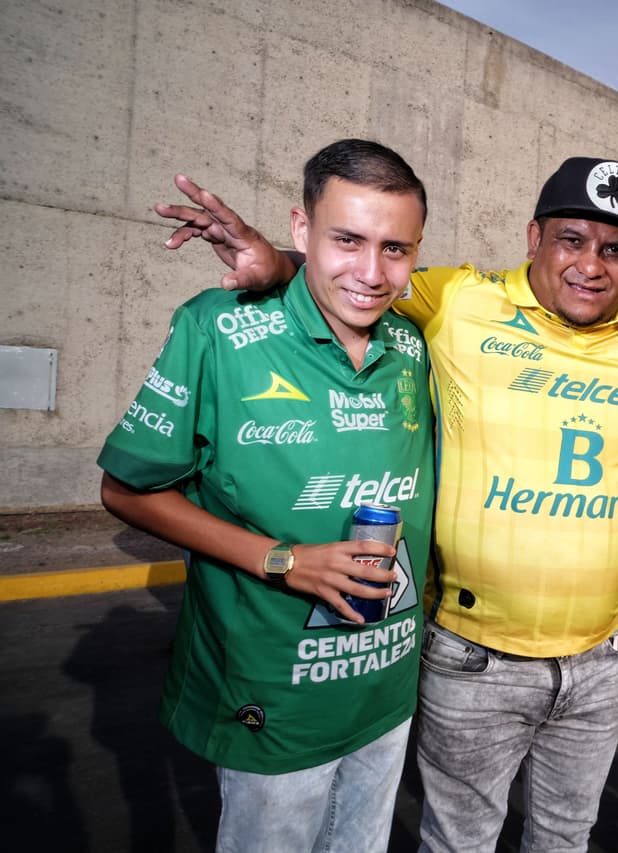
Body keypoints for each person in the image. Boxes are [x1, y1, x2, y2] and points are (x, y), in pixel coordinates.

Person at [153, 157, 618, 852]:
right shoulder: (460, 301)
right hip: (475, 661)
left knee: (564, 840)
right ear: (534, 236)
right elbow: (364, 277)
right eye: (572, 239)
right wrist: (280, 259)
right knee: (460, 843)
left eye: (615, 250)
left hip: (600, 659)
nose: (592, 264)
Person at [98, 139, 433, 850]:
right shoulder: (217, 328)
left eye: (396, 249)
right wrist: (283, 560)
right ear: (302, 229)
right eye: (347, 240)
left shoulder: (415, 345)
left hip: (387, 691)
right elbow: (126, 489)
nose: (371, 273)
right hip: (272, 696)